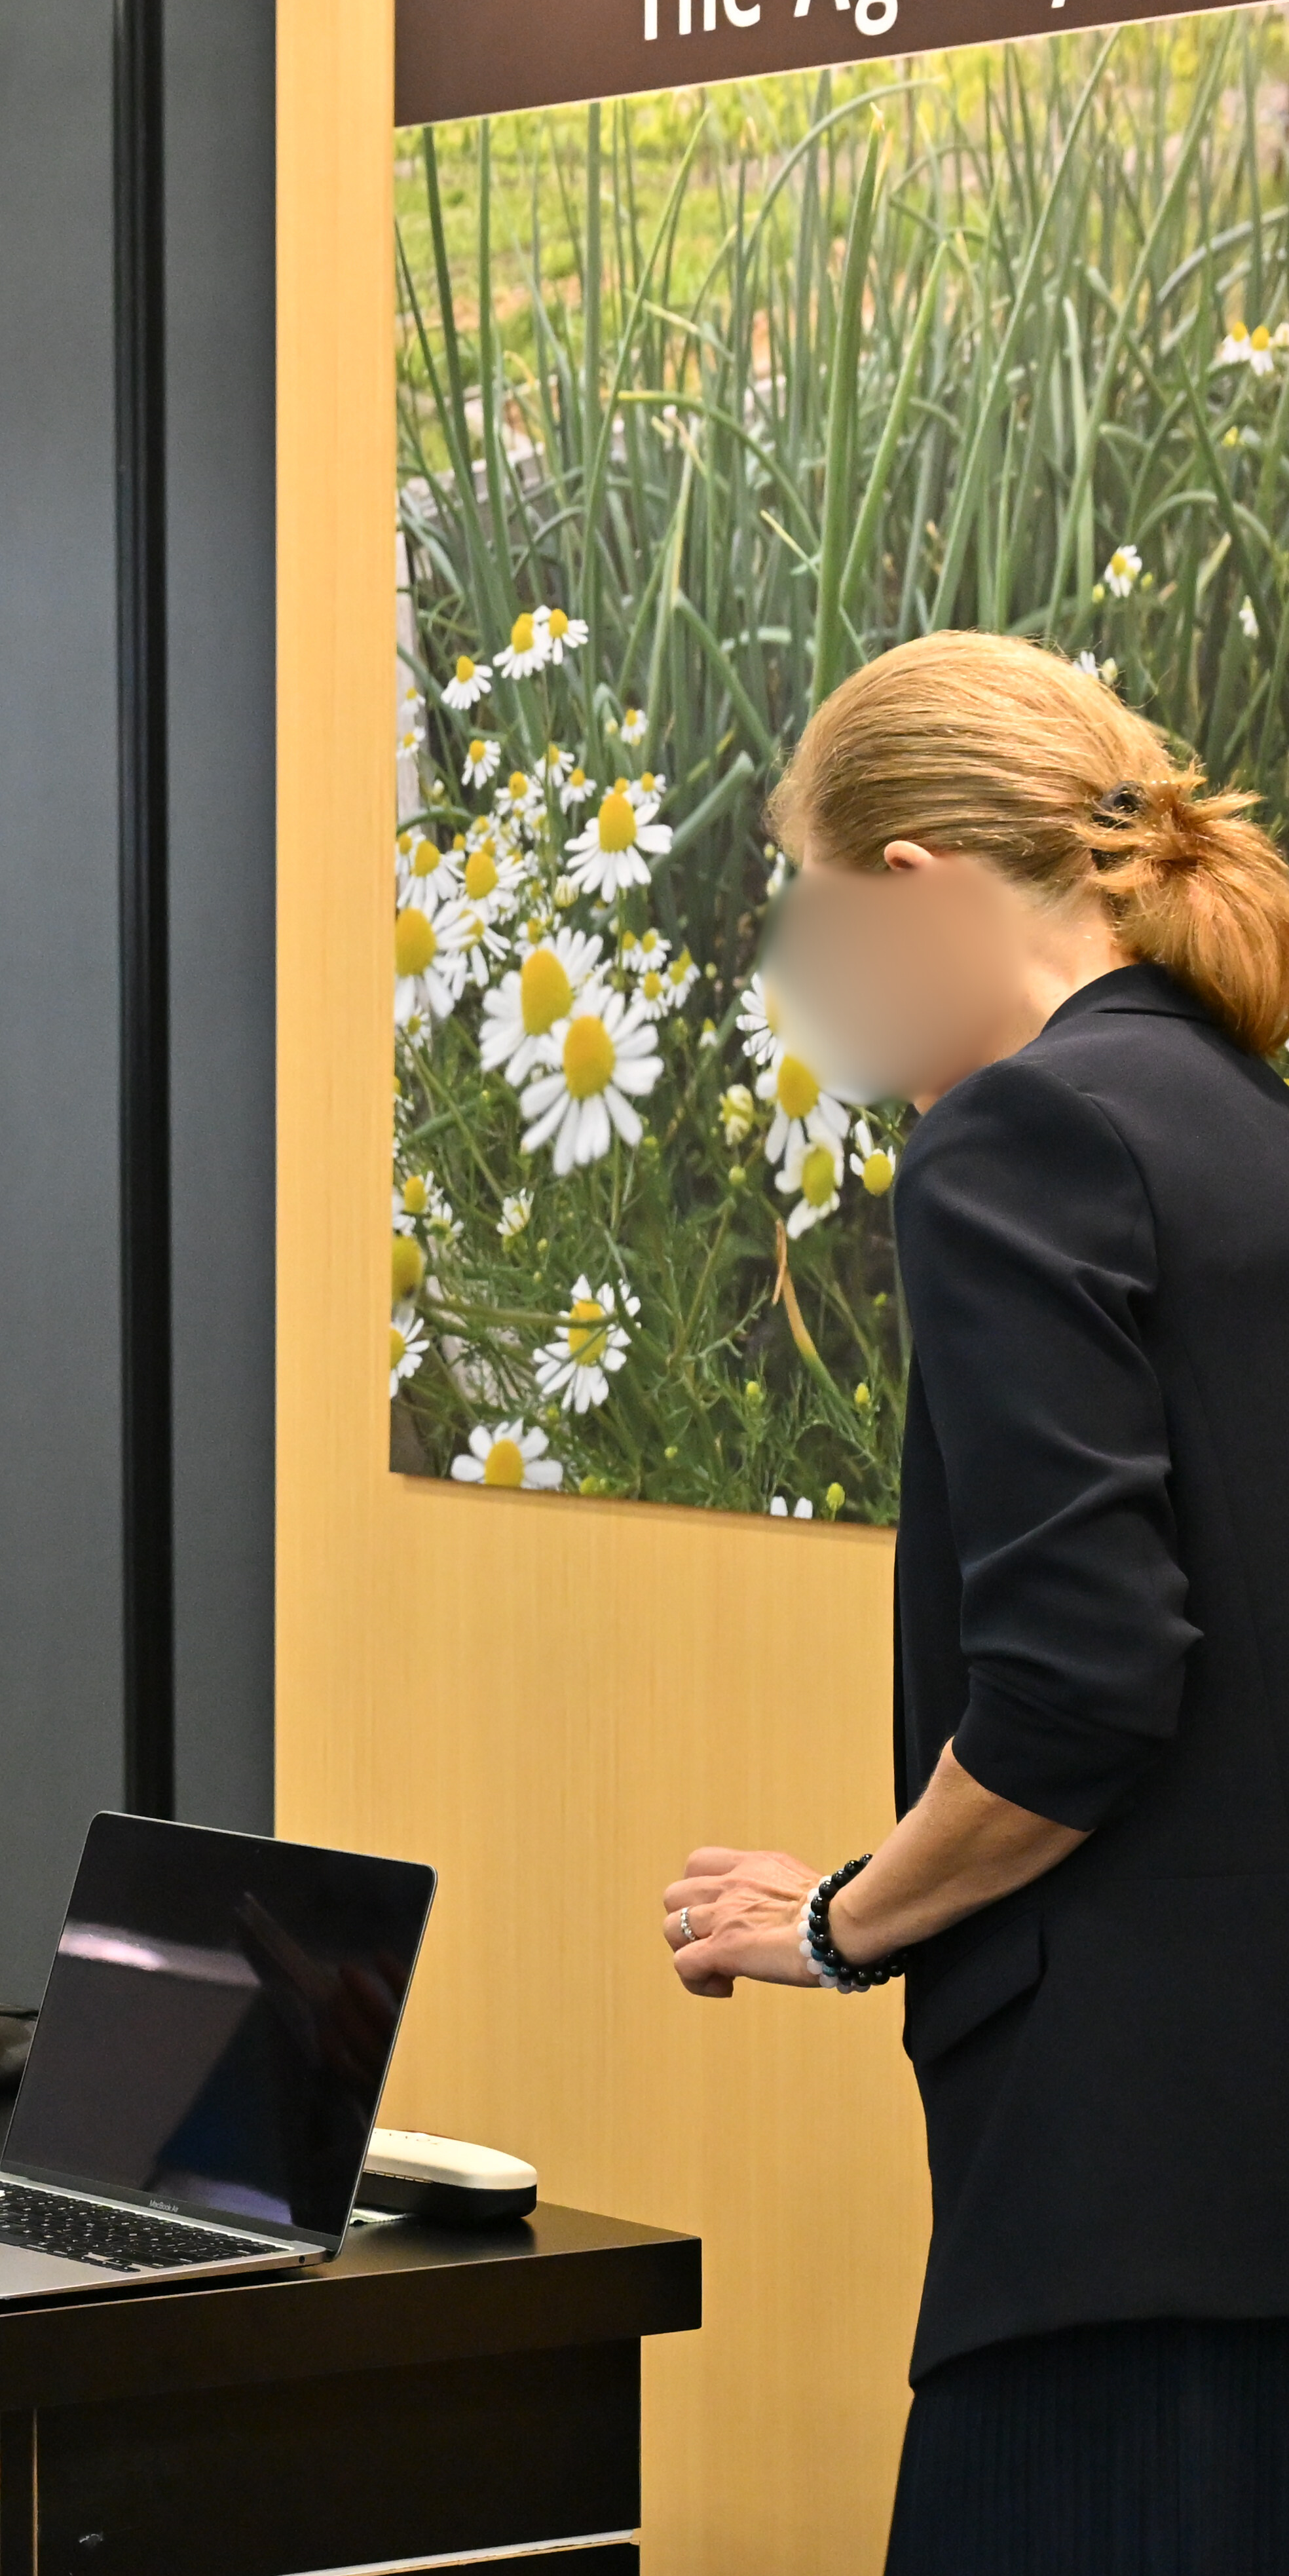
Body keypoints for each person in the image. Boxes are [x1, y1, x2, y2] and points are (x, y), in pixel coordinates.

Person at [656, 630, 1289, 2573]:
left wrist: (841, 1919)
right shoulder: (1240, 1112)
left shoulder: (1017, 1139)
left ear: (918, 886)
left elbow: (1083, 1688)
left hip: (1120, 2214)